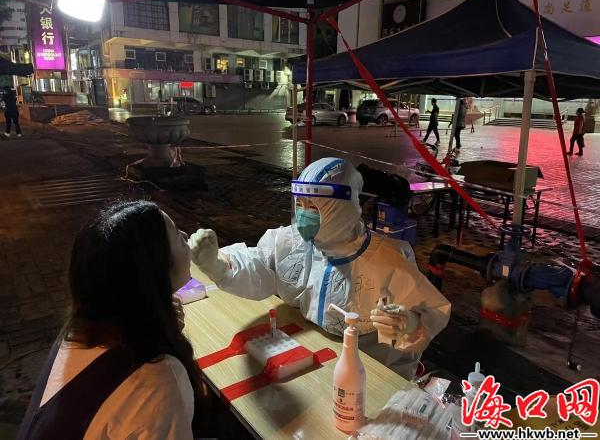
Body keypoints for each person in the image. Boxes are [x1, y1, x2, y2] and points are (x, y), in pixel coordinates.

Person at [189, 158, 451, 379]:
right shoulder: (293, 242)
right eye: (300, 205)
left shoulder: (389, 260)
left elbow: (430, 311)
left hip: (371, 371)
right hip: (312, 356)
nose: (303, 215)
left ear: (342, 209)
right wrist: (219, 266)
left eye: (314, 207)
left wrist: (410, 323)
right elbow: (259, 263)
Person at [18, 200, 200, 440]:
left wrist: (162, 324)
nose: (185, 235)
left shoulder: (78, 332)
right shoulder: (157, 380)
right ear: (155, 272)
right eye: (177, 235)